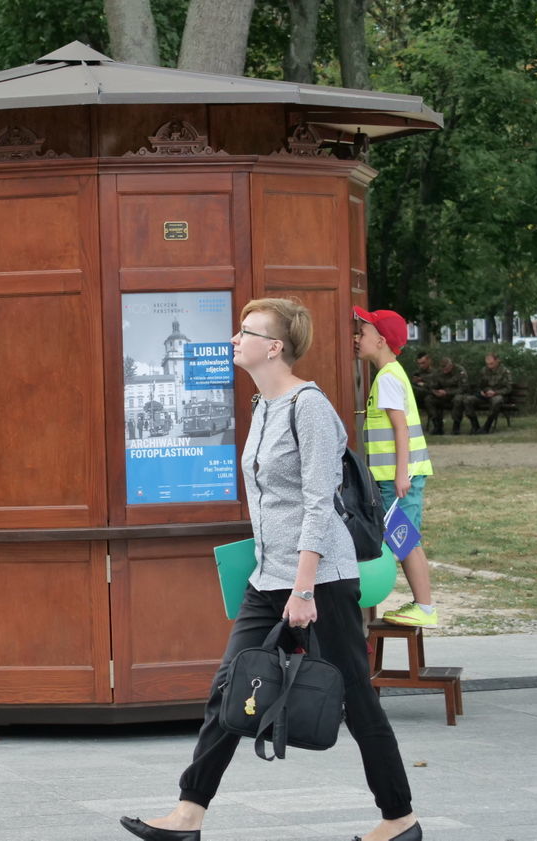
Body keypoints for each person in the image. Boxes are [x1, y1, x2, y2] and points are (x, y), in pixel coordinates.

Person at [121, 298, 419, 841]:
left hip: (319, 580)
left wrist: (303, 588)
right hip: (268, 577)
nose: (235, 339)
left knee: (355, 694)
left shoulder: (310, 407)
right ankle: (190, 813)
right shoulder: (263, 405)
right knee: (229, 687)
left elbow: (316, 504)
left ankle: (399, 817)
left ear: (274, 346)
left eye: (246, 331)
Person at [353, 307, 437, 630]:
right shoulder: (388, 374)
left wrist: (402, 473)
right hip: (393, 478)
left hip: (399, 479)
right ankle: (422, 604)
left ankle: (426, 607)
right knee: (402, 539)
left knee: (406, 540)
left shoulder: (388, 377)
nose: (357, 338)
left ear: (381, 340)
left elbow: (400, 429)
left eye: (362, 333)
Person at [464, 352, 513, 434]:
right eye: (487, 364)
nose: (489, 366)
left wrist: (495, 392)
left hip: (498, 395)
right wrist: (481, 391)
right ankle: (475, 426)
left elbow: (508, 388)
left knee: (497, 401)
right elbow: (479, 385)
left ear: (497, 361)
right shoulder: (484, 370)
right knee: (467, 400)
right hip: (485, 395)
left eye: (491, 363)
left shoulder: (505, 372)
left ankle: (487, 426)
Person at [427, 356, 468, 436]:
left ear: (451, 366)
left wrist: (447, 392)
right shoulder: (439, 372)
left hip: (455, 395)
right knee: (429, 399)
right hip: (442, 396)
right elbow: (433, 385)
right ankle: (437, 426)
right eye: (443, 369)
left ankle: (456, 427)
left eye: (446, 369)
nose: (444, 371)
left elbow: (464, 388)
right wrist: (435, 391)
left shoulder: (459, 371)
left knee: (458, 399)